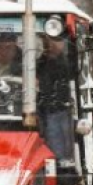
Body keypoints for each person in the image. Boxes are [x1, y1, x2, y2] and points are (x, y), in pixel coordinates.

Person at [37, 34, 74, 163]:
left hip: (65, 111)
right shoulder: (38, 65)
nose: (51, 44)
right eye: (47, 40)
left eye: (57, 40)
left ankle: (64, 162)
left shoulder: (70, 63)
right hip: (46, 112)